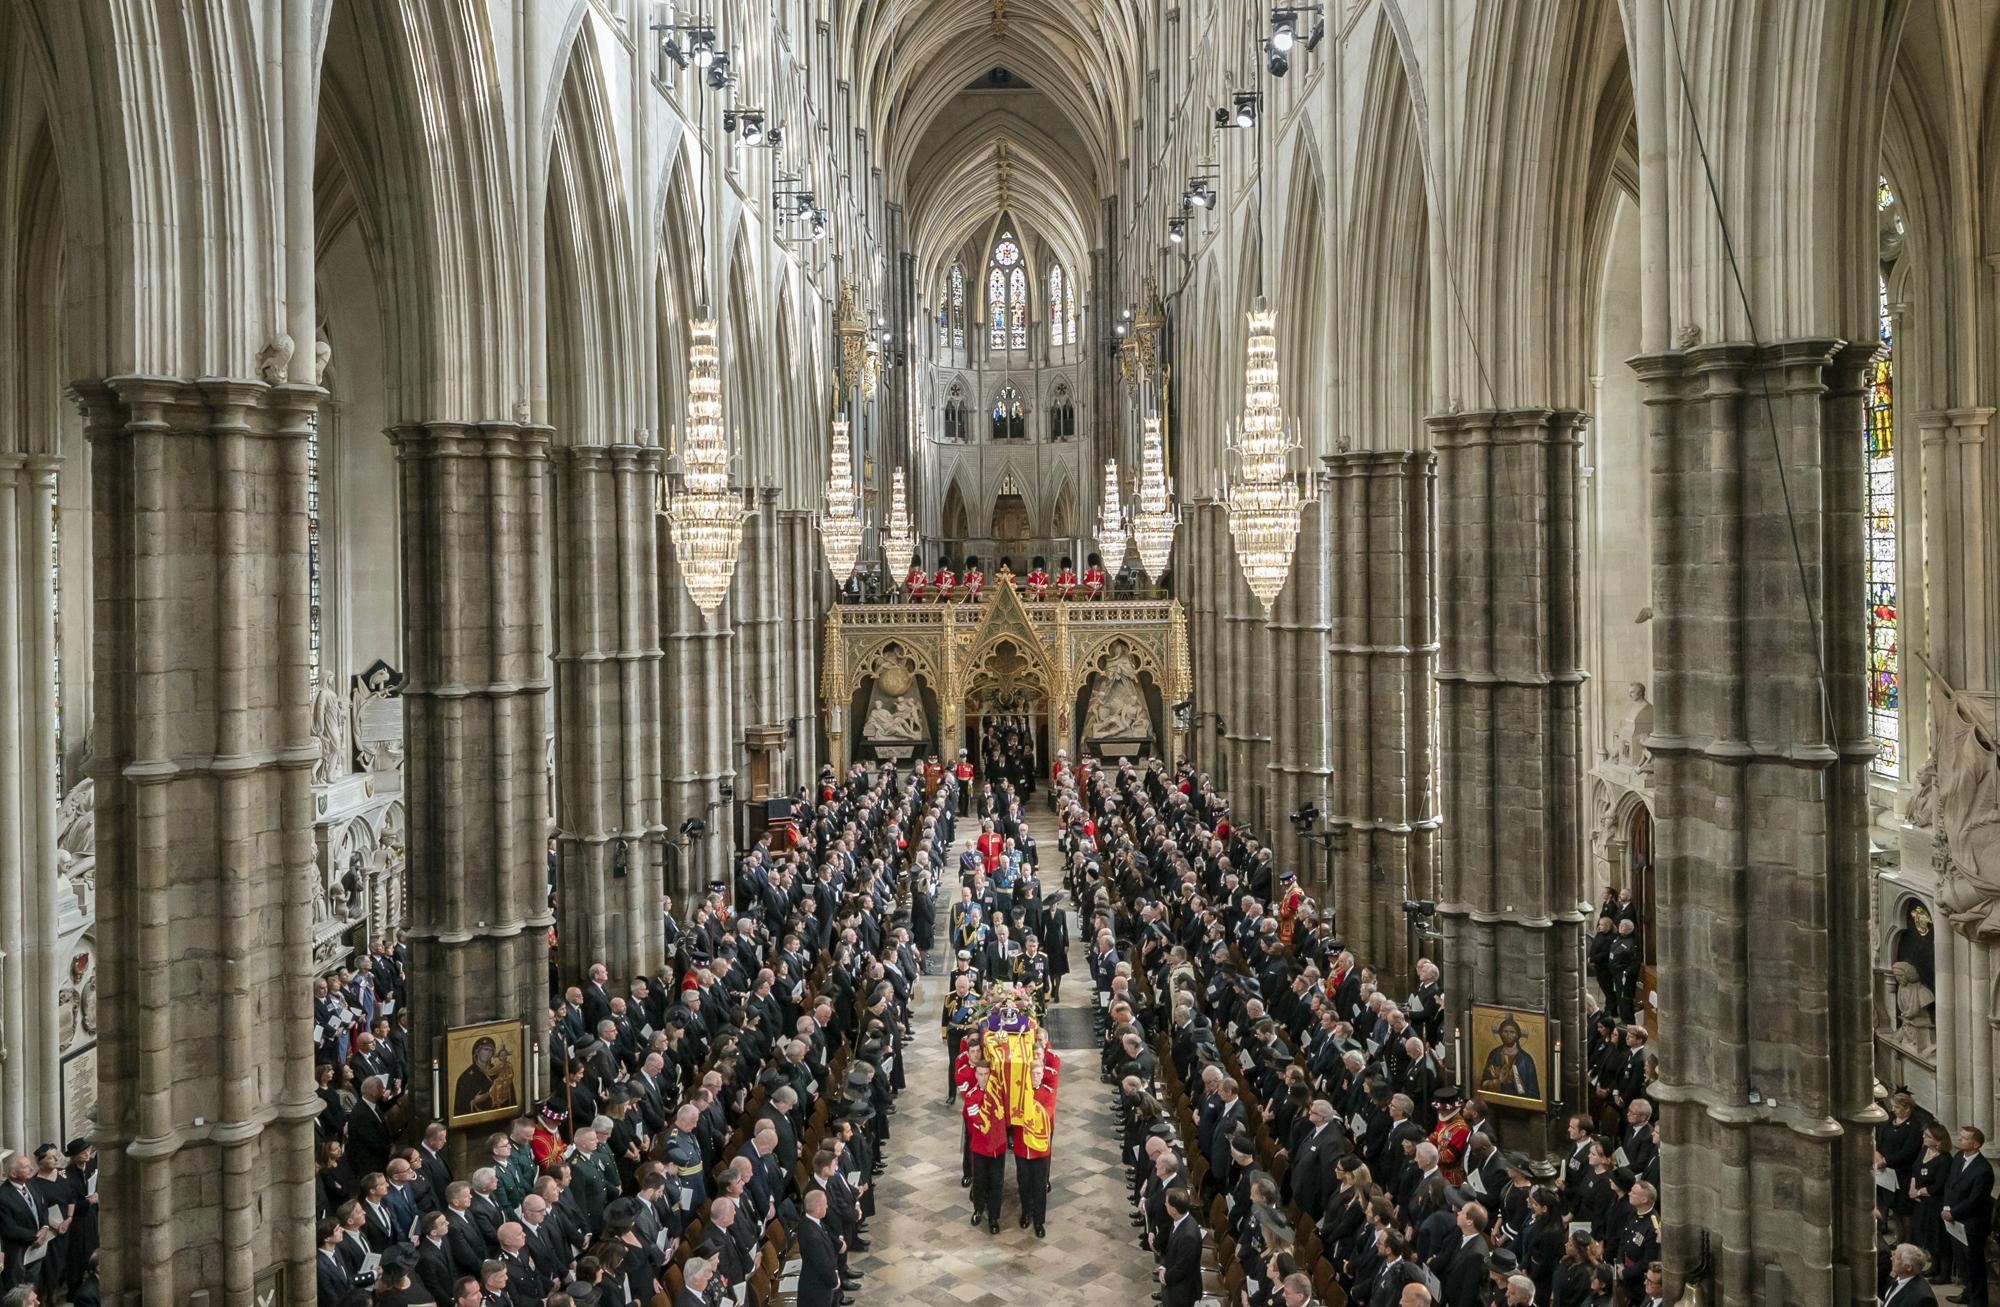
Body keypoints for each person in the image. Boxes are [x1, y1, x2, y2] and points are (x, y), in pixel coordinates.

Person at [1939, 1125, 1993, 1306]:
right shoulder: (1958, 1158)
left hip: (1972, 1224)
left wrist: (1952, 1213)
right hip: (1954, 1221)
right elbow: (1949, 1185)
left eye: (1964, 1138)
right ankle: (1968, 1293)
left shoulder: (1983, 1169)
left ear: (1976, 1144)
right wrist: (1947, 1208)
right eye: (1960, 1136)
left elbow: (1976, 1201)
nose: (1959, 1140)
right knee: (1962, 1262)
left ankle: (1978, 1301)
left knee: (1974, 1265)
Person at [796, 1189, 843, 1307]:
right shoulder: (811, 1235)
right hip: (817, 1290)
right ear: (817, 1208)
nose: (827, 1206)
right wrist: (834, 1280)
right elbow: (822, 1263)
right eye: (825, 1204)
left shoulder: (812, 1222)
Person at [1159, 1187, 1202, 1307]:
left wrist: (1165, 1278)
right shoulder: (1179, 1220)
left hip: (1182, 1291)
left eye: (1166, 1203)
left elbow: (1182, 1268)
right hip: (1174, 1278)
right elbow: (1171, 1248)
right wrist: (1163, 1266)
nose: (1165, 1204)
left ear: (1173, 1209)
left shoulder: (1189, 1236)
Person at [1883, 1243, 1939, 1307]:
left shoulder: (1923, 1299)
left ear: (1908, 1267)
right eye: (1894, 1255)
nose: (1891, 1259)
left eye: (1897, 1259)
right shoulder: (1900, 1276)